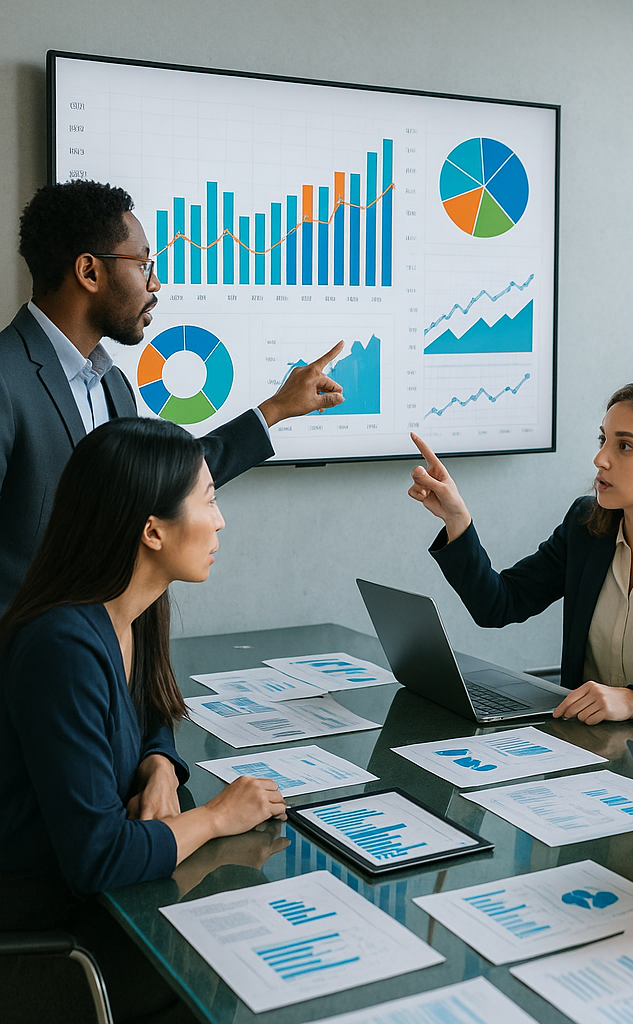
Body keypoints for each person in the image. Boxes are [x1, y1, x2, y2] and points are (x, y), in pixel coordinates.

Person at [0, 416, 288, 1020]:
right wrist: (213, 817)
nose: (220, 519)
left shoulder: (131, 609)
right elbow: (99, 858)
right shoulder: (62, 647)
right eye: (208, 499)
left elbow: (151, 707)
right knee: (241, 970)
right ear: (152, 530)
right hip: (54, 939)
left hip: (96, 908)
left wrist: (159, 765)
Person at [0, 179, 345, 611]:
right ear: (89, 272)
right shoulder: (5, 377)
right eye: (143, 264)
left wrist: (274, 410)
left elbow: (163, 482)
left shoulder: (112, 384)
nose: (156, 283)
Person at [408, 380, 633, 736]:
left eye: (624, 446)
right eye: (603, 440)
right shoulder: (586, 527)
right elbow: (499, 604)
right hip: (581, 744)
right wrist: (457, 520)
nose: (600, 459)